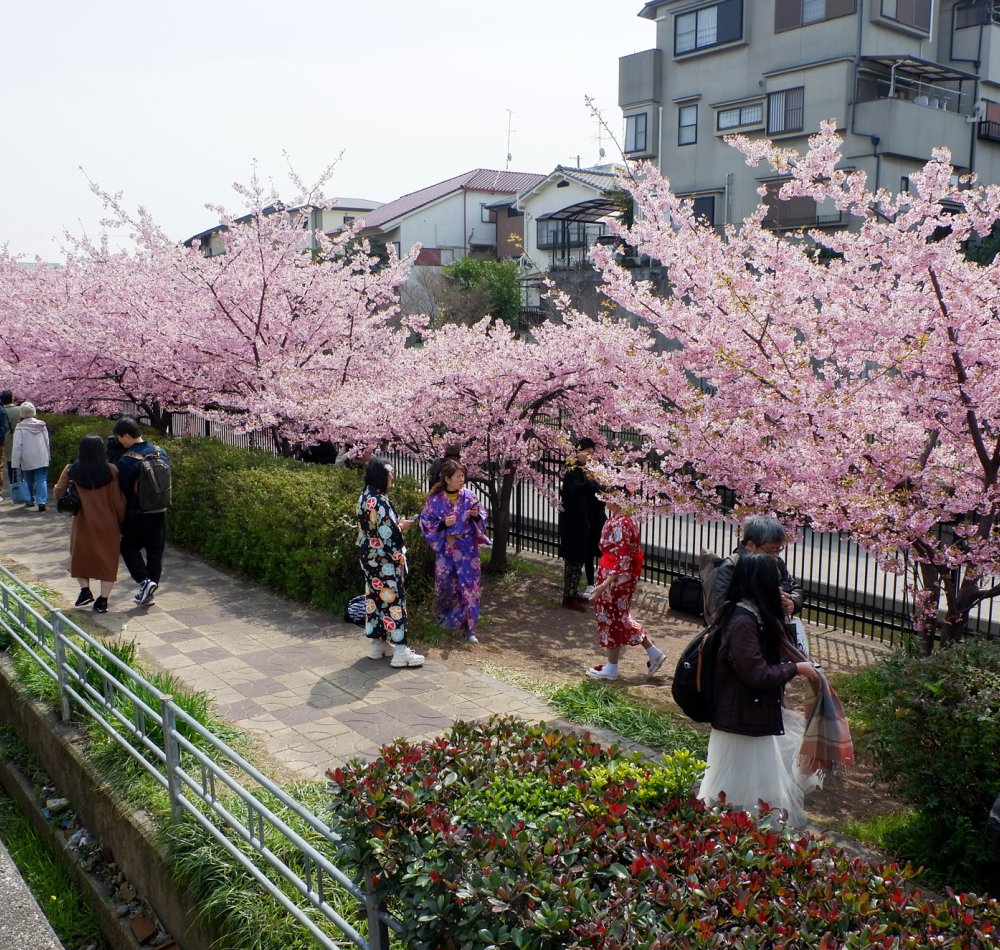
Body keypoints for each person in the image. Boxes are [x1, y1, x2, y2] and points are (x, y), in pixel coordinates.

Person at [698, 553, 823, 827]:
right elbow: (756, 674)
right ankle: (741, 839)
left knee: (749, 785)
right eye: (774, 582)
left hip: (750, 714)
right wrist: (796, 669)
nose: (780, 588)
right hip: (742, 717)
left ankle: (742, 836)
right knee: (742, 786)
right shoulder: (743, 621)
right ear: (760, 583)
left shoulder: (752, 614)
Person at [586, 493, 665, 681]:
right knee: (620, 617)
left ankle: (612, 668)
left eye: (609, 495)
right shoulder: (626, 519)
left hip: (615, 578)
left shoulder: (621, 522)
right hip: (621, 577)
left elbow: (622, 558)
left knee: (611, 619)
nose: (604, 498)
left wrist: (604, 585)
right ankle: (653, 653)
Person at [357, 457, 424, 668]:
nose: (392, 477)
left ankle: (378, 644)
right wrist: (399, 551)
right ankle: (401, 651)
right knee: (394, 601)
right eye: (389, 473)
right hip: (385, 559)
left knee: (375, 598)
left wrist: (396, 526)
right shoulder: (380, 501)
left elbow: (373, 529)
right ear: (381, 476)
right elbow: (388, 535)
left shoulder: (365, 497)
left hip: (369, 557)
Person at [53, 436, 127, 613]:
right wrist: (121, 518)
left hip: (82, 522)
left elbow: (57, 494)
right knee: (108, 561)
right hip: (108, 523)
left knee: (80, 556)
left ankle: (85, 590)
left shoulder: (72, 469)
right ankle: (103, 600)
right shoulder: (111, 470)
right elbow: (118, 501)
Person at [419, 459, 490, 644]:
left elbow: (482, 518)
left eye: (463, 476)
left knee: (469, 587)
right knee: (445, 585)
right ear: (448, 478)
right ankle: (445, 623)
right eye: (458, 476)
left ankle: (469, 628)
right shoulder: (435, 500)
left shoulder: (469, 496)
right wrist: (442, 525)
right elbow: (425, 522)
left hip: (467, 550)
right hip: (446, 550)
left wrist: (476, 516)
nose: (462, 480)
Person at [708, 516, 803, 625]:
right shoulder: (731, 567)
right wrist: (769, 598)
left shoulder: (777, 562)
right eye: (770, 550)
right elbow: (722, 607)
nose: (775, 555)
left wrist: (793, 602)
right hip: (745, 630)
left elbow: (794, 587)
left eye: (778, 549)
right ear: (751, 546)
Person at [113, 416, 167, 606]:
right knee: (155, 551)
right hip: (160, 508)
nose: (119, 441)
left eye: (119, 438)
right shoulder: (161, 452)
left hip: (137, 512)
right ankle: (148, 592)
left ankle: (145, 581)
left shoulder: (127, 460)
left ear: (127, 436)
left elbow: (122, 490)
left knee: (128, 548)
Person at [558, 437, 605, 610]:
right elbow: (573, 491)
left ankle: (573, 592)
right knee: (573, 559)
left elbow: (591, 497)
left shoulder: (587, 470)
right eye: (587, 452)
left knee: (580, 558)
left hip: (585, 522)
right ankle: (568, 596)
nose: (590, 456)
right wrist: (591, 484)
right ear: (579, 452)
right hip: (573, 522)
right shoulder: (572, 470)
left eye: (593, 453)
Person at [11, 402, 49, 511]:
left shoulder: (20, 427)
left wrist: (15, 463)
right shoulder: (41, 426)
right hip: (42, 456)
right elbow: (47, 443)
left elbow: (17, 446)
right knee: (42, 479)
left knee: (28, 479)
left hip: (27, 458)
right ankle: (41, 502)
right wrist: (48, 456)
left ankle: (30, 500)